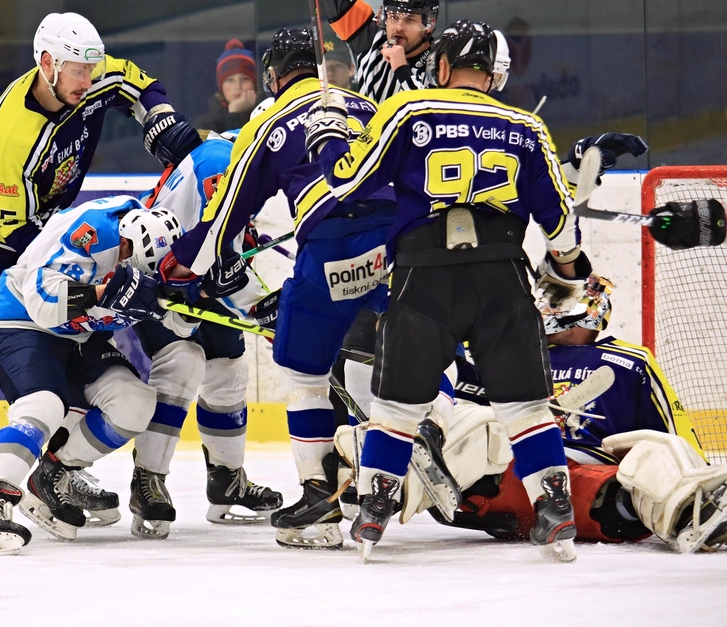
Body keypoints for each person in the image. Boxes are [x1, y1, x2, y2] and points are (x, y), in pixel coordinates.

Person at [307, 20, 591, 561]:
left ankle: (374, 509)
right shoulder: (525, 125)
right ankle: (554, 509)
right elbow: (560, 222)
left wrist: (327, 137)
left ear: (441, 65)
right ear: (493, 75)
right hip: (502, 276)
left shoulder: (408, 110)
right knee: (526, 406)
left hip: (425, 276)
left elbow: (347, 181)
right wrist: (568, 265)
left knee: (397, 407)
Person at [0, 11, 202, 534]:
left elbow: (136, 82)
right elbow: (20, 239)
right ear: (47, 64)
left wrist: (159, 114)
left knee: (79, 359)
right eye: (78, 71)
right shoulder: (15, 133)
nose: (89, 80)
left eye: (92, 69)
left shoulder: (90, 75)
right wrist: (94, 288)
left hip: (44, 234)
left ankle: (57, 471)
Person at [160, 27, 397, 550]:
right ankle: (436, 436)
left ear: (273, 76)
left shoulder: (269, 123)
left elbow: (225, 216)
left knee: (304, 372)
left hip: (331, 247)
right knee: (413, 351)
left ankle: (320, 496)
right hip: (396, 242)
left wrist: (184, 265)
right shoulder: (367, 107)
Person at [0, 196, 193, 553]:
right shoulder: (91, 232)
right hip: (20, 323)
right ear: (124, 240)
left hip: (80, 336)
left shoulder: (156, 258)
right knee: (42, 405)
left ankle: (53, 474)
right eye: (126, 254)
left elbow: (181, 325)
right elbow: (42, 303)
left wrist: (194, 298)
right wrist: (104, 292)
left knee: (135, 404)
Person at [420, 276, 727, 553]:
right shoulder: (507, 357)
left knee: (651, 455)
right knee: (472, 421)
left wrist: (696, 474)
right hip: (508, 474)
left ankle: (697, 508)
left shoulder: (630, 361)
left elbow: (675, 435)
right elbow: (448, 370)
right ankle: (397, 483)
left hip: (585, 488)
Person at [125, 130, 283, 539]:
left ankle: (228, 479)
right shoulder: (222, 164)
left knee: (229, 368)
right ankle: (147, 481)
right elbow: (214, 257)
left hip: (189, 271)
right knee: (182, 363)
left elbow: (218, 253)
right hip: (156, 279)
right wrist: (261, 309)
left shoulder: (234, 154)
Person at [321, 0, 437, 102]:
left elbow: (433, 115)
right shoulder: (369, 37)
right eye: (394, 17)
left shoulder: (440, 62)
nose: (399, 27)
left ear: (429, 24)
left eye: (410, 20)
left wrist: (402, 70)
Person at [194, 39, 259, 133]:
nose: (237, 87)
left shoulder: (268, 116)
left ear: (254, 84)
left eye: (245, 79)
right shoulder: (204, 126)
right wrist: (234, 112)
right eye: (230, 80)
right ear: (221, 87)